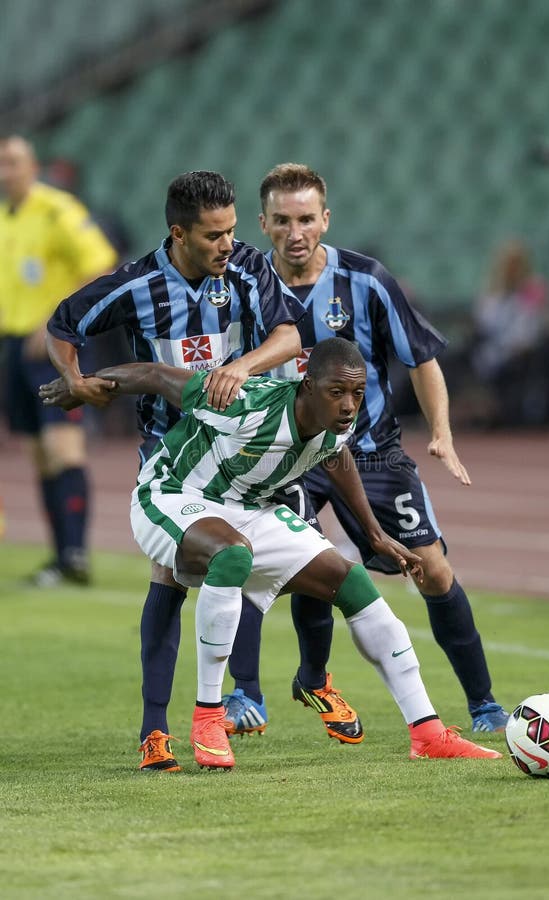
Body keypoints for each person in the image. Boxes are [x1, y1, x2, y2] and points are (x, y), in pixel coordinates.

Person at [40, 338, 503, 769]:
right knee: (233, 556)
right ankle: (207, 717)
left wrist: (375, 534)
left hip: (247, 508)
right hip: (171, 495)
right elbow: (157, 376)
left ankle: (427, 732)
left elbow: (336, 456)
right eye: (336, 392)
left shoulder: (335, 418)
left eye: (357, 394)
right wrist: (85, 384)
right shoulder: (247, 403)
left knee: (353, 582)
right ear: (308, 386)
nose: (347, 405)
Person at [44, 170, 360, 772]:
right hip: (176, 459)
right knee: (169, 579)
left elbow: (290, 336)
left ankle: (305, 678)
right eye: (214, 234)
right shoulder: (135, 285)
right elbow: (63, 326)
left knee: (307, 557)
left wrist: (241, 366)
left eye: (232, 230)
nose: (228, 244)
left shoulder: (245, 268)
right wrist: (76, 380)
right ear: (178, 233)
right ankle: (155, 730)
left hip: (256, 448)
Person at [223, 162, 509, 739]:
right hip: (289, 457)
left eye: (306, 218)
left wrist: (442, 432)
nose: (295, 231)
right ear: (263, 223)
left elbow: (421, 357)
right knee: (287, 564)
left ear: (325, 219)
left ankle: (483, 703)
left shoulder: (367, 280)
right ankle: (252, 694)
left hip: (372, 453)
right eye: (282, 220)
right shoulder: (246, 289)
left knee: (430, 569)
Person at [0, 135, 118, 586]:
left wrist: (56, 321)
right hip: (15, 348)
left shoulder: (57, 210)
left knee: (62, 447)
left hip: (54, 349)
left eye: (15, 162)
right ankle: (60, 556)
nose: (7, 171)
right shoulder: (7, 218)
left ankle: (75, 554)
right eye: (2, 163)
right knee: (39, 455)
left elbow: (103, 264)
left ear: (33, 166)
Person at [471, 238, 549, 427]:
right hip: (493, 353)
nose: (512, 270)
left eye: (516, 265)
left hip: (520, 354)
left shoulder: (533, 291)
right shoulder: (492, 295)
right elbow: (484, 325)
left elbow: (532, 328)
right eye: (508, 265)